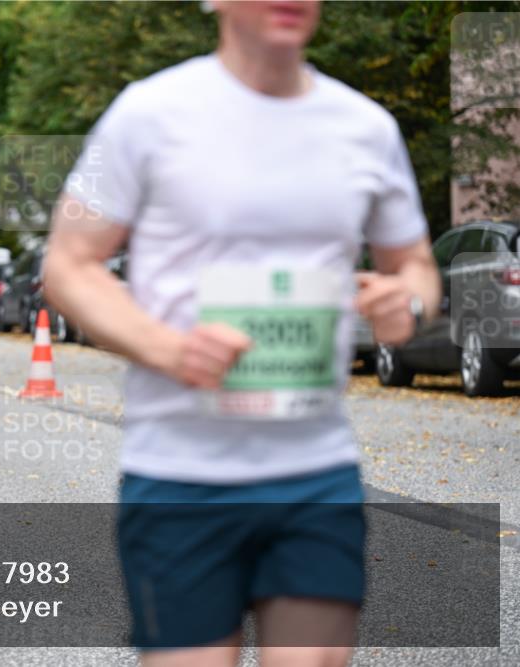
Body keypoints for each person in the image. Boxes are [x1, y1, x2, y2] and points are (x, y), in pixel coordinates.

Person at [44, 1, 441, 665]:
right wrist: (168, 347)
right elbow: (67, 262)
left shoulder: (366, 128)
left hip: (314, 474)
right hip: (180, 472)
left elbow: (416, 264)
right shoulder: (146, 113)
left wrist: (413, 304)